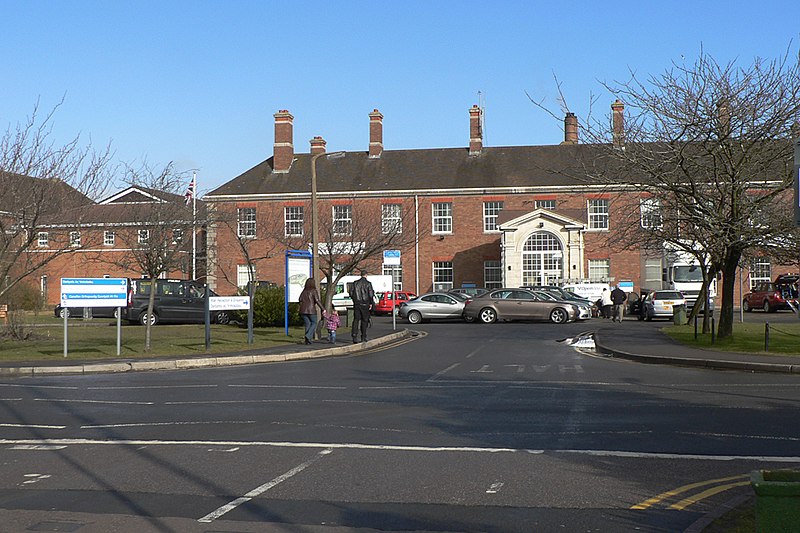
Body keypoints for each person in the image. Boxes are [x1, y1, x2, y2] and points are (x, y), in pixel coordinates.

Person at [350, 269, 375, 343]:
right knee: (364, 321)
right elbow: (370, 295)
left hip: (357, 304)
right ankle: (363, 336)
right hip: (365, 304)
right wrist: (371, 303)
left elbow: (351, 293)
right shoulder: (368, 284)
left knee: (356, 320)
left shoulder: (355, 283)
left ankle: (354, 336)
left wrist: (354, 300)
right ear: (366, 275)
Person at [298, 278, 324, 345]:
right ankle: (308, 336)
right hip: (311, 310)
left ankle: (308, 340)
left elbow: (300, 299)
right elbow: (317, 300)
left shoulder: (304, 291)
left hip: (303, 310)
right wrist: (323, 308)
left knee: (307, 324)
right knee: (314, 323)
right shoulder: (314, 291)